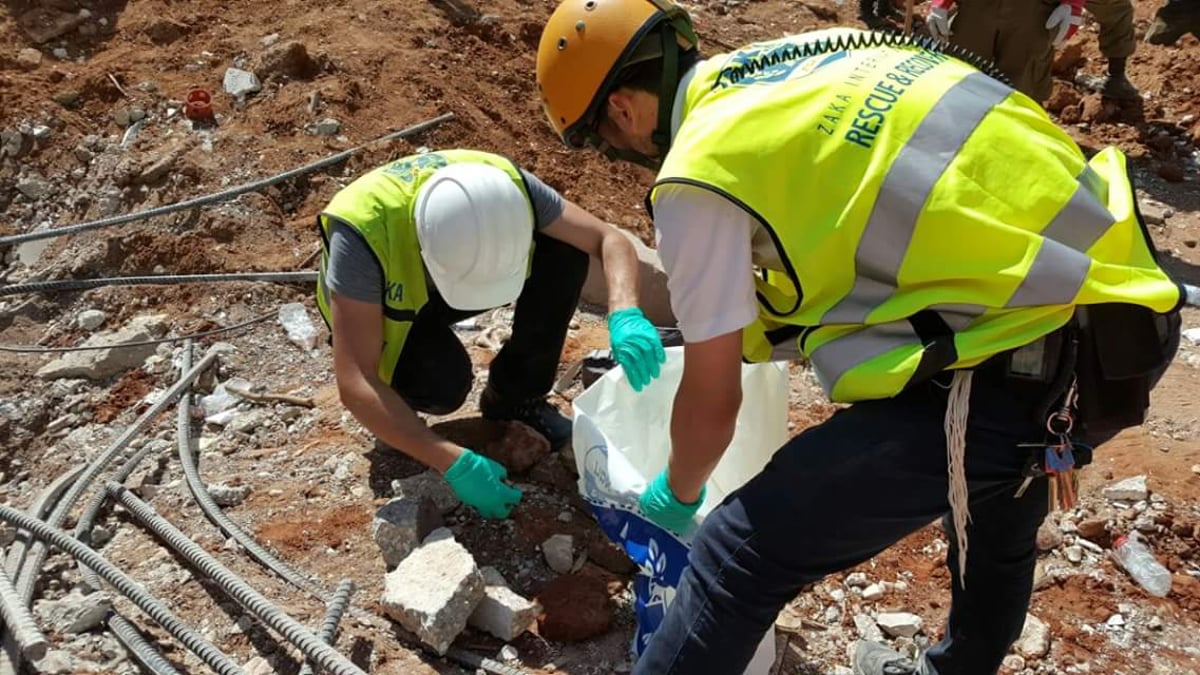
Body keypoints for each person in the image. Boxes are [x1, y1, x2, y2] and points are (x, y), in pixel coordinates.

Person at [535, 2, 1183, 674]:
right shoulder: (810, 58)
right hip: (1121, 305)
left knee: (736, 550)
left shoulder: (698, 169)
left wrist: (679, 490)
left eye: (600, 141)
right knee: (995, 503)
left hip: (1028, 356)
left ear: (621, 110)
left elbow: (714, 401)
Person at [316, 148, 665, 519]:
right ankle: (398, 416)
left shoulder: (507, 189)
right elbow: (355, 379)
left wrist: (625, 310)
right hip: (379, 310)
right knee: (441, 386)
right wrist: (448, 460)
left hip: (458, 277)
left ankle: (516, 399)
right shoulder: (360, 234)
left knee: (566, 249)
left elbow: (608, 239)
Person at [925, 0, 1085, 102]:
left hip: (1032, 11)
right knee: (960, 79)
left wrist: (1073, 4)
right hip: (976, 8)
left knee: (1021, 91)